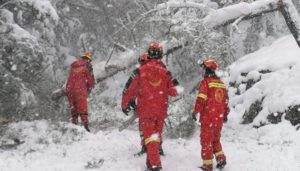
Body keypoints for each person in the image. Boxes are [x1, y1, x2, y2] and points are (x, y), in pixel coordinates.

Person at [121, 42, 180, 171]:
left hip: (145, 111)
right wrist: (172, 84)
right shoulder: (166, 72)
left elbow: (128, 89)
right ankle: (150, 165)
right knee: (155, 137)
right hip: (161, 111)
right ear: (160, 54)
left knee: (150, 139)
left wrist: (125, 104)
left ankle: (155, 165)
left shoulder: (139, 71)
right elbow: (174, 92)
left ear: (148, 54)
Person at [192, 59, 230, 171]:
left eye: (204, 68)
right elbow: (226, 102)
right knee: (215, 140)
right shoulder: (222, 85)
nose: (203, 71)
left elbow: (201, 99)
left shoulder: (206, 82)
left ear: (208, 69)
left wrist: (195, 111)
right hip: (219, 118)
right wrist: (225, 114)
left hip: (208, 118)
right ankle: (221, 159)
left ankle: (207, 165)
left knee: (206, 141)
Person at [65, 52, 95, 132]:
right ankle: (86, 127)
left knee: (74, 110)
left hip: (69, 90)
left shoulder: (74, 66)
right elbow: (90, 81)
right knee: (83, 109)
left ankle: (74, 126)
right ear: (88, 59)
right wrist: (90, 87)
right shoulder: (87, 67)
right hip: (80, 90)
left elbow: (70, 78)